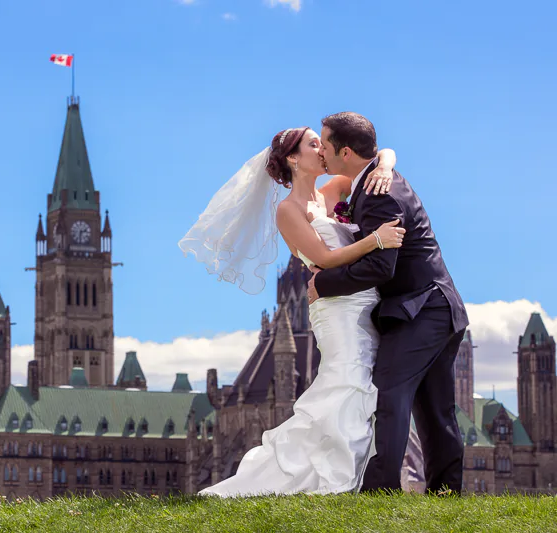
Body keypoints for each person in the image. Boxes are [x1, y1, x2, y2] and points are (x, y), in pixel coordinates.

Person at [179, 126, 405, 496]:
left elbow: (376, 158)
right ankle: (334, 481)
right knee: (345, 384)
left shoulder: (332, 191)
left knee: (364, 388)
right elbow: (324, 258)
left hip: (363, 306)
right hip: (335, 312)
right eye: (314, 144)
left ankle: (359, 480)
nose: (324, 149)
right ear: (293, 159)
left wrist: (385, 166)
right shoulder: (288, 210)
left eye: (323, 142)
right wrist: (374, 240)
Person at [310, 112, 468, 495]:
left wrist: (323, 282)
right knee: (435, 408)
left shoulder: (379, 194)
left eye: (326, 146)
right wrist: (386, 159)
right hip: (437, 307)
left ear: (345, 152)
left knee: (388, 391)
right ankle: (445, 494)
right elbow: (381, 155)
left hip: (422, 308)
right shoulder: (374, 179)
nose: (322, 154)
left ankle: (381, 490)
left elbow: (382, 265)